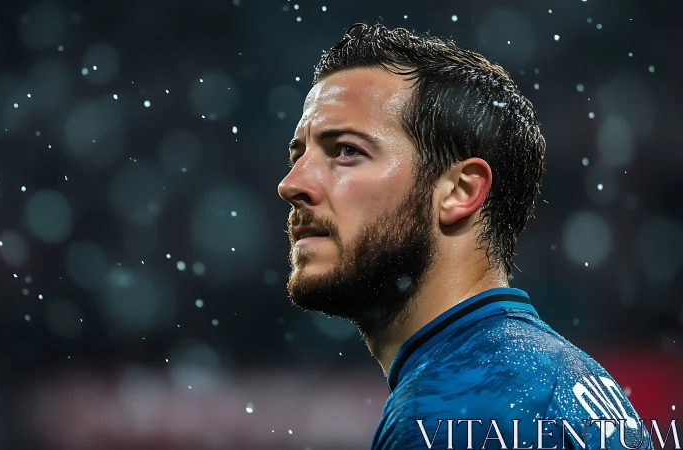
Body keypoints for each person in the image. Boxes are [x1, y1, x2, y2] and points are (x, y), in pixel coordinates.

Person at [278, 23, 652, 449]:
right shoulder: (564, 375)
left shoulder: (453, 409)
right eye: (299, 154)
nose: (292, 183)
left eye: (347, 150)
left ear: (460, 192)